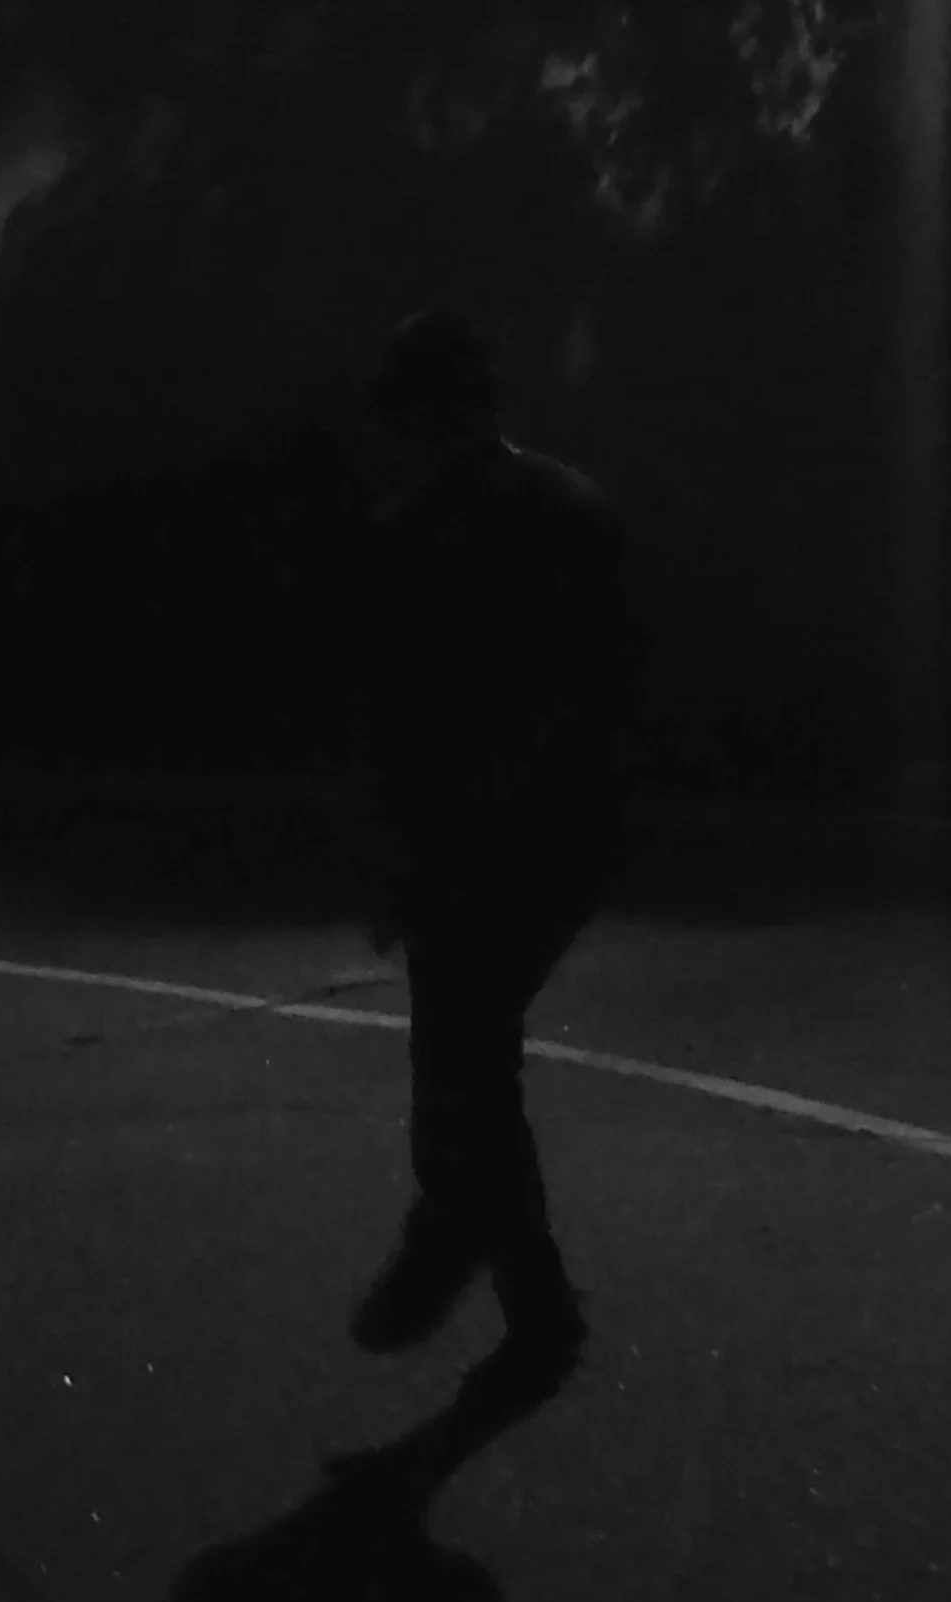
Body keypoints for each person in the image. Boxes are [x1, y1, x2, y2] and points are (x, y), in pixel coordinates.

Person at [341, 310, 645, 1365]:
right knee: (477, 1066)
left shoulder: (410, 532)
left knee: (459, 1076)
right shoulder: (575, 505)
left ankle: (467, 1245)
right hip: (568, 838)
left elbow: (392, 718)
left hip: (469, 848)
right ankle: (531, 1300)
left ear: (413, 415)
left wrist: (395, 858)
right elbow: (612, 684)